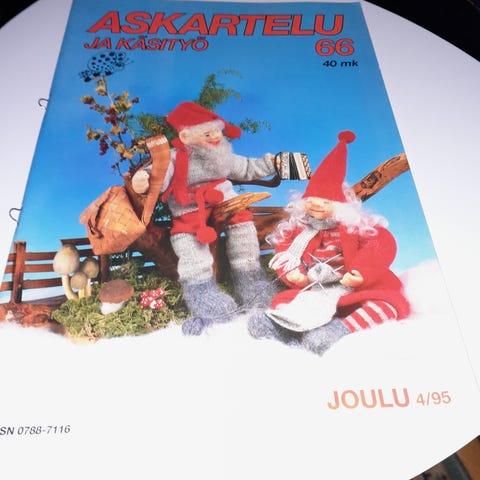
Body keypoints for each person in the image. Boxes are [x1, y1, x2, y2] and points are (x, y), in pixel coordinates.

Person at [248, 131, 410, 355]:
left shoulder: (355, 227)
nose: (317, 205)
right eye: (311, 200)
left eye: (325, 201)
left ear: (340, 206)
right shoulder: (297, 230)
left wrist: (361, 271)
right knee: (283, 302)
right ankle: (285, 328)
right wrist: (294, 274)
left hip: (356, 288)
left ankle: (340, 329)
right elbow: (284, 252)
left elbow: (382, 244)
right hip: (316, 288)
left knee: (388, 304)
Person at [132, 101, 277, 335]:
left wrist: (269, 164)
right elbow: (159, 174)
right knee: (187, 241)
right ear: (186, 136)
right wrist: (144, 179)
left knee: (243, 224)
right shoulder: (174, 158)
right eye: (207, 134)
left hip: (224, 201)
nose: (216, 138)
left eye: (217, 132)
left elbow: (246, 167)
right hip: (190, 208)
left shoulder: (222, 154)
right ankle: (202, 291)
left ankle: (250, 280)